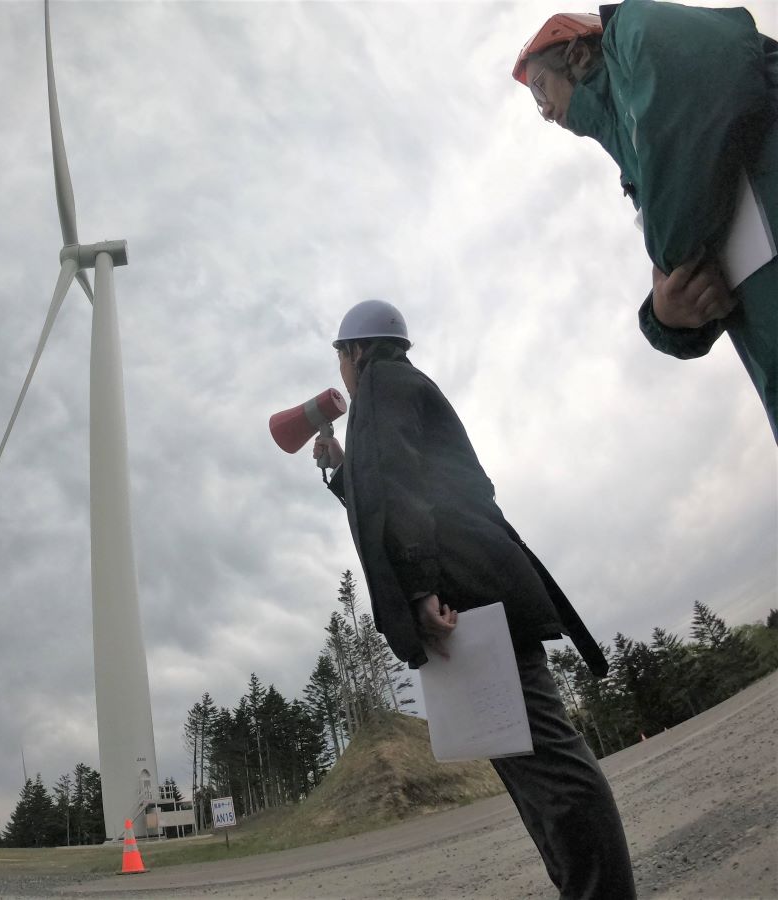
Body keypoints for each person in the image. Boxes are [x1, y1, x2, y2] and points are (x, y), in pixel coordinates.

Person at [315, 299, 636, 899]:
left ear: (357, 349)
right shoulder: (400, 389)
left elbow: (405, 492)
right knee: (527, 766)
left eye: (339, 356)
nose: (340, 371)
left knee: (551, 770)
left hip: (468, 596)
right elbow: (394, 489)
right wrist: (344, 471)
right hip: (474, 585)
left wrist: (418, 588)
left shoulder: (381, 384)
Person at [512, 3, 778, 440]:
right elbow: (696, 271)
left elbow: (693, 112)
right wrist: (666, 316)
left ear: (578, 55)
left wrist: (672, 266)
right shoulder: (635, 160)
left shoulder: (634, 27)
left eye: (541, 90)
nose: (543, 112)